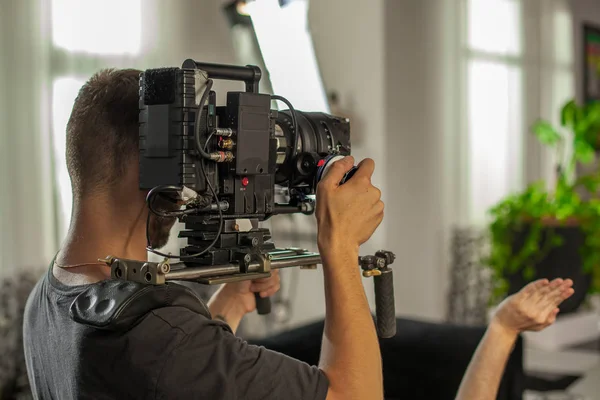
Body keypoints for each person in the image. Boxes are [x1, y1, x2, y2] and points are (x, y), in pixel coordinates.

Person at [22, 68, 574, 400]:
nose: (198, 174)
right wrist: (338, 247)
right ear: (153, 165)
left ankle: (500, 329)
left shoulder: (51, 298)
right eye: (191, 154)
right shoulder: (153, 332)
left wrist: (229, 304)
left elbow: (168, 379)